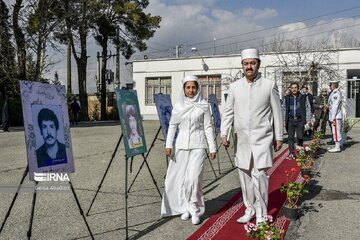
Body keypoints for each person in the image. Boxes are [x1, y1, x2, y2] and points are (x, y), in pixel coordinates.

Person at [221, 48, 283, 225]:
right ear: (242, 65)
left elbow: (277, 112)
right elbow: (228, 113)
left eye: (252, 63)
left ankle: (262, 213)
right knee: (245, 177)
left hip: (262, 139)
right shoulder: (234, 87)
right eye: (246, 63)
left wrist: (278, 136)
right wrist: (224, 132)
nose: (249, 67)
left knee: (260, 176)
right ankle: (249, 209)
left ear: (258, 64)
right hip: (241, 140)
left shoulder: (269, 85)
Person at [161, 75, 217, 225]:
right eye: (188, 87)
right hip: (181, 146)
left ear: (197, 88)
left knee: (194, 178)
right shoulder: (179, 106)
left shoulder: (204, 105)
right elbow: (172, 126)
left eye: (193, 87)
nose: (191, 90)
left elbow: (208, 127)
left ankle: (195, 208)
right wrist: (168, 145)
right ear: (184, 89)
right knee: (182, 179)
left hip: (198, 145)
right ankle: (185, 206)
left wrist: (212, 147)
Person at [284, 82, 306, 160]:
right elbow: (284, 109)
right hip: (290, 120)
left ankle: (300, 151)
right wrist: (284, 119)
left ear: (298, 88)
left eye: (295, 87)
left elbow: (308, 108)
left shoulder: (302, 97)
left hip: (300, 120)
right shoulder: (287, 97)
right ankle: (292, 153)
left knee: (300, 137)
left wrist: (309, 120)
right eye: (292, 87)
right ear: (290, 88)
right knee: (290, 137)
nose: (294, 89)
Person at [327, 80, 343, 152]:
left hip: (335, 116)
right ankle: (336, 145)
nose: (329, 86)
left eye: (330, 85)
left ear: (333, 85)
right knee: (335, 131)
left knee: (336, 131)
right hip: (334, 115)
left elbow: (335, 106)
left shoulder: (336, 93)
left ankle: (337, 147)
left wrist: (332, 117)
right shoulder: (333, 93)